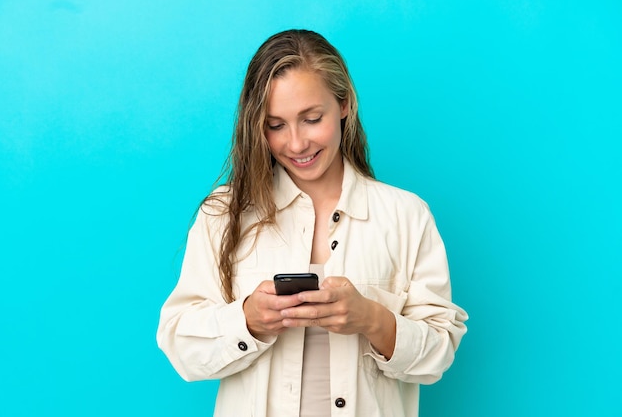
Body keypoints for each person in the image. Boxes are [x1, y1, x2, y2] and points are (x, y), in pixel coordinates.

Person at [157, 29, 468, 417]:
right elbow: (180, 346)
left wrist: (371, 319)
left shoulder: (406, 216)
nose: (297, 143)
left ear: (344, 105)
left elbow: (438, 354)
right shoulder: (224, 213)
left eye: (311, 118)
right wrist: (248, 320)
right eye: (275, 125)